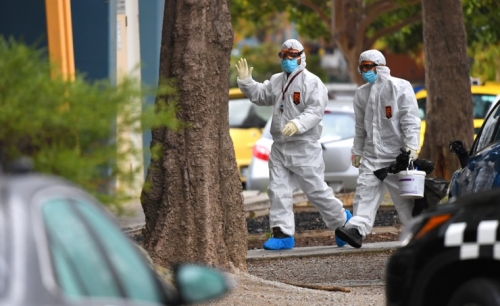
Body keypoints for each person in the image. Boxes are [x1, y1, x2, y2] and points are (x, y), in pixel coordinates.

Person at [235, 39, 351, 250]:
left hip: (304, 146)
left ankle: (341, 221)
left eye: (292, 55)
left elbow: (315, 111)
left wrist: (298, 124)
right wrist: (247, 83)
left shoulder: (312, 83)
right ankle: (282, 233)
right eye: (284, 55)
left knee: (315, 191)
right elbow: (262, 95)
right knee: (278, 190)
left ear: (301, 56)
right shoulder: (277, 80)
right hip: (279, 146)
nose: (287, 59)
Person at [335, 49, 421, 248]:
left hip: (398, 156)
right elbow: (360, 126)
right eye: (361, 67)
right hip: (372, 156)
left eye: (368, 66)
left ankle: (419, 237)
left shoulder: (400, 87)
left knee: (405, 202)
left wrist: (411, 146)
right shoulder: (361, 93)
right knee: (365, 193)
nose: (364, 71)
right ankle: (356, 230)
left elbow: (410, 118)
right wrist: (357, 150)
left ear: (379, 66)